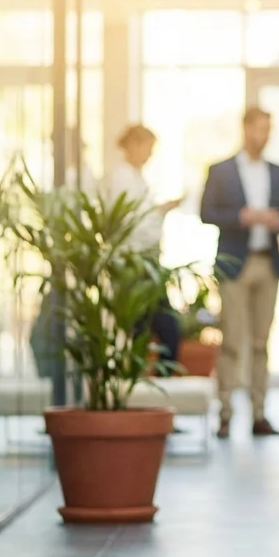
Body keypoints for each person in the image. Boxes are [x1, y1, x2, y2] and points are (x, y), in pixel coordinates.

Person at [199, 107, 279, 439]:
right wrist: (241, 217)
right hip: (234, 264)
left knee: (260, 343)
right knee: (232, 341)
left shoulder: (277, 172)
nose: (264, 136)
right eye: (259, 129)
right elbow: (205, 212)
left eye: (268, 129)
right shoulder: (221, 170)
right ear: (245, 129)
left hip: (267, 262)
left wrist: (277, 220)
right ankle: (225, 414)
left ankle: (259, 414)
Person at [100, 124, 183, 373]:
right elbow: (131, 222)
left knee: (151, 328)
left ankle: (153, 380)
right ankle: (148, 381)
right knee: (156, 327)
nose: (150, 155)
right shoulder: (122, 177)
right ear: (134, 145)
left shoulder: (135, 176)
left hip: (144, 264)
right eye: (148, 148)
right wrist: (161, 211)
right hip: (134, 266)